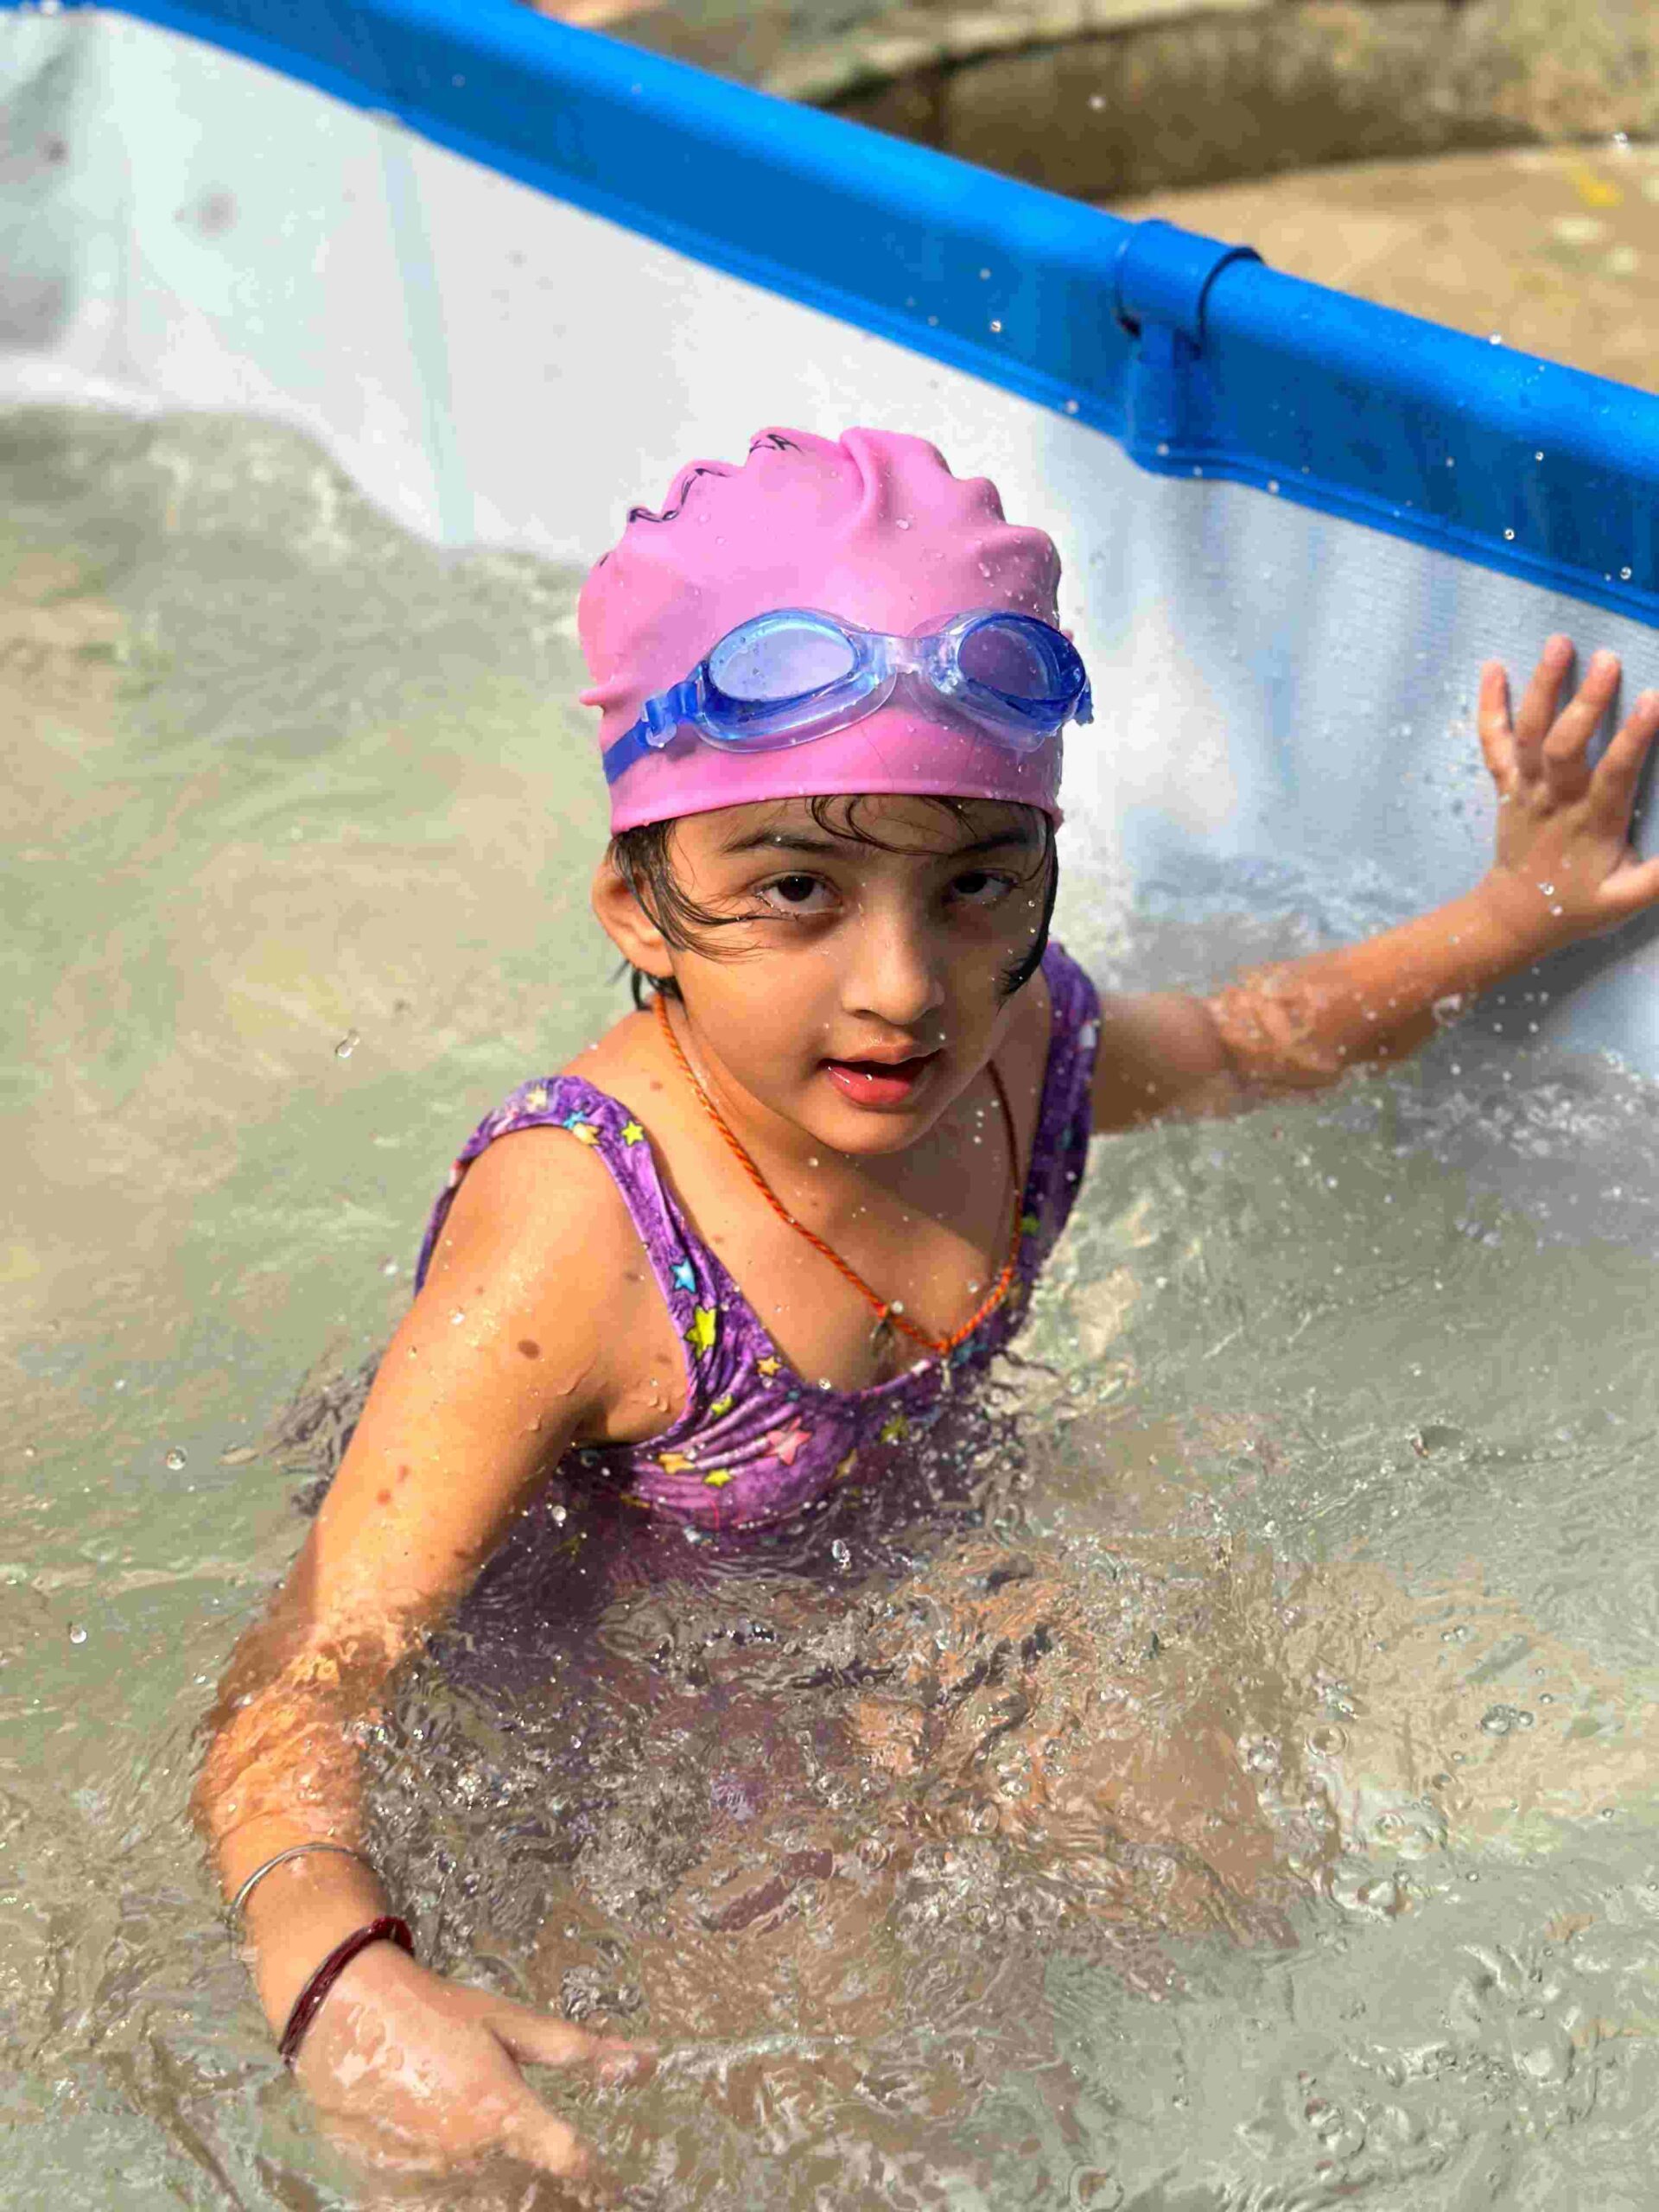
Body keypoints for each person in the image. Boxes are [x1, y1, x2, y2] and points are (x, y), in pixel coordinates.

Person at [193, 424, 1659, 2186]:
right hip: (577, 1692)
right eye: (795, 890)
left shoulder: (1020, 1045)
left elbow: (1247, 1041)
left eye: (974, 884)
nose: (904, 985)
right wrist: (336, 1968)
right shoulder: (582, 1234)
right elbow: (310, 1669)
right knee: (784, 2122)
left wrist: (1514, 911)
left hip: (866, 1592)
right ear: (636, 905)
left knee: (1237, 1877)